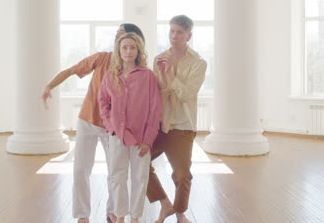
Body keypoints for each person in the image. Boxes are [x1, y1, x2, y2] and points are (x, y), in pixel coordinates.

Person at [42, 24, 145, 223]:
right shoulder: (102, 58)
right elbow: (72, 70)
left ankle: (113, 212)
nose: (117, 39)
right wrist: (49, 86)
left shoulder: (139, 73)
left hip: (113, 129)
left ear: (134, 44)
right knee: (81, 169)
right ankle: (82, 215)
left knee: (115, 172)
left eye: (122, 36)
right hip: (87, 120)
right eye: (116, 35)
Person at [146, 15, 207, 223]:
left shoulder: (199, 63)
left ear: (188, 35)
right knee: (138, 163)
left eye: (179, 32)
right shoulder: (159, 58)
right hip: (159, 125)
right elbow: (158, 92)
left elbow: (186, 95)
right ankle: (165, 204)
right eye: (172, 31)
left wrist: (170, 75)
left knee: (182, 175)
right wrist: (163, 75)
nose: (174, 36)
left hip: (182, 126)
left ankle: (180, 213)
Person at [98, 32, 162, 223]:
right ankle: (120, 216)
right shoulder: (110, 76)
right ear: (119, 50)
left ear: (138, 50)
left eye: (132, 47)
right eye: (124, 47)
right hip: (117, 136)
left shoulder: (147, 76)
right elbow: (103, 104)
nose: (128, 51)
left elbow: (155, 109)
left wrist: (147, 140)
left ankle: (135, 217)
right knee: (117, 176)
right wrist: (112, 129)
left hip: (141, 138)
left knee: (140, 178)